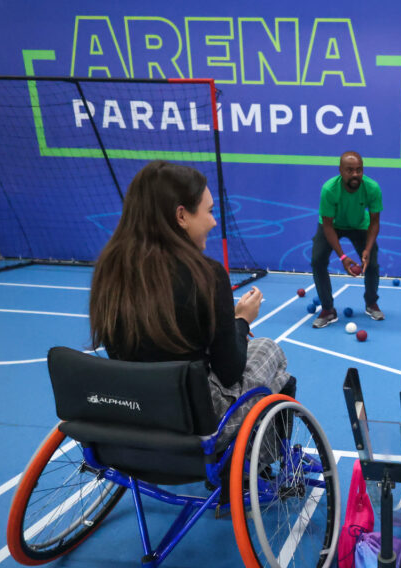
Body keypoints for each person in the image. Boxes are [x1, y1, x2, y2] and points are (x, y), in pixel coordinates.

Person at [88, 160, 293, 435]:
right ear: (181, 216)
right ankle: (264, 468)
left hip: (133, 414)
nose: (213, 221)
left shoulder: (109, 271)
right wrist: (241, 320)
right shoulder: (206, 275)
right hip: (199, 421)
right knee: (271, 353)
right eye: (208, 211)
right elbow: (229, 373)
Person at [310, 151, 384, 327]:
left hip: (359, 225)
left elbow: (374, 222)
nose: (355, 174)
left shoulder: (372, 188)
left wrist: (367, 249)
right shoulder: (329, 189)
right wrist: (343, 257)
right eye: (349, 170)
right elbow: (327, 225)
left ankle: (371, 303)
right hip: (332, 225)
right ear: (340, 171)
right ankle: (328, 309)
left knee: (372, 263)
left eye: (359, 170)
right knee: (317, 260)